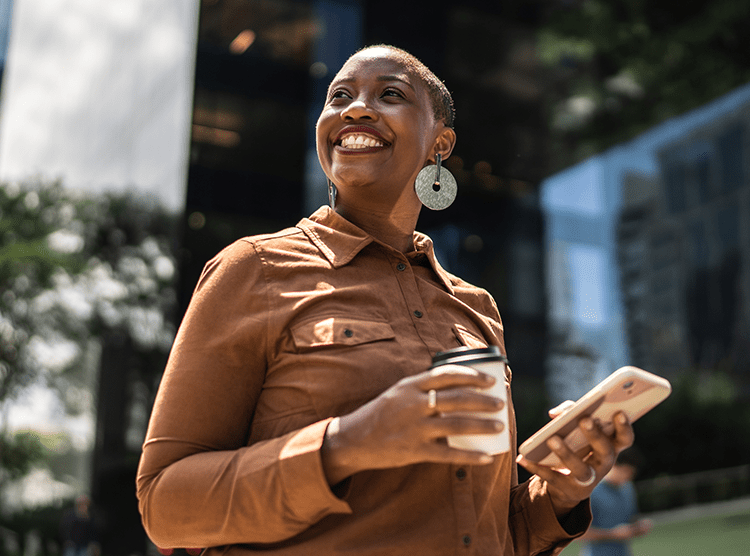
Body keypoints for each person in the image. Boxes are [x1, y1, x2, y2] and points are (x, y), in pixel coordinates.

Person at [136, 44, 634, 556]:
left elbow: (486, 530)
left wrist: (559, 494)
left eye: (390, 94)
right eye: (339, 96)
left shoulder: (477, 308)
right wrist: (347, 443)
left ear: (439, 145)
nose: (355, 108)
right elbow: (164, 506)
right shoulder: (253, 270)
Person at [579, 447, 652, 556]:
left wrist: (638, 527)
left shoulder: (628, 488)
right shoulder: (591, 491)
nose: (628, 477)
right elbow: (579, 534)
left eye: (632, 473)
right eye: (625, 471)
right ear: (612, 465)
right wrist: (612, 534)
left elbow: (630, 518)